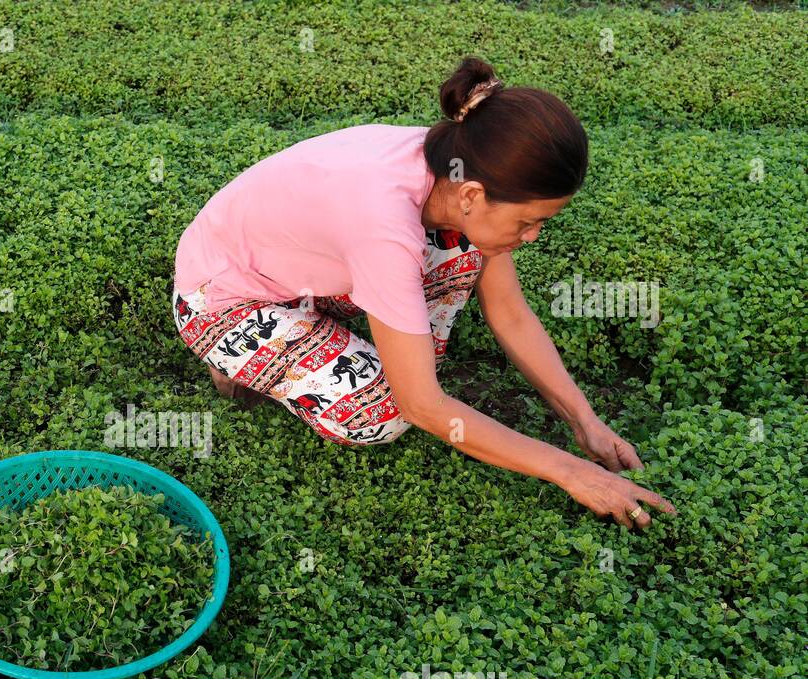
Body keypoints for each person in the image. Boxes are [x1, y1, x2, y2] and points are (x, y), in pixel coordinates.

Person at [171, 56, 675, 530]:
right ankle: (235, 357)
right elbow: (423, 408)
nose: (533, 237)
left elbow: (510, 314)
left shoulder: (457, 162)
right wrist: (572, 473)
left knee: (461, 250)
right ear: (475, 195)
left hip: (300, 268)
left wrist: (583, 421)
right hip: (221, 300)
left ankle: (351, 343)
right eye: (528, 221)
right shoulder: (385, 227)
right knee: (382, 410)